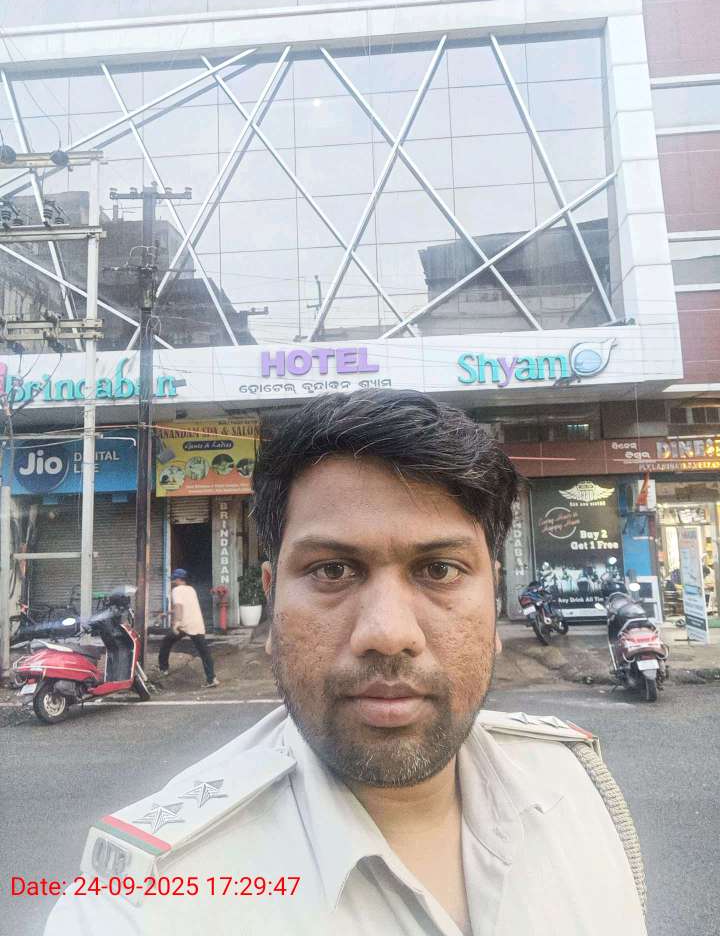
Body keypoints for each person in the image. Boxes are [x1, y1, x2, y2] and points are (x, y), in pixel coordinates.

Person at [45, 390, 646, 936]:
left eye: (439, 569)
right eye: (332, 570)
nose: (388, 634)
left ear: (493, 601)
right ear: (273, 601)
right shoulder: (142, 903)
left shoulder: (581, 789)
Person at [158, 568, 219, 688]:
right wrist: (168, 613)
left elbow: (179, 607)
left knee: (166, 642)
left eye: (174, 578)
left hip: (184, 625)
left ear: (178, 579)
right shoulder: (191, 589)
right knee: (204, 652)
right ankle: (212, 679)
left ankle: (163, 669)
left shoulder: (176, 590)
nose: (172, 580)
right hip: (196, 624)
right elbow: (184, 607)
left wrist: (176, 623)